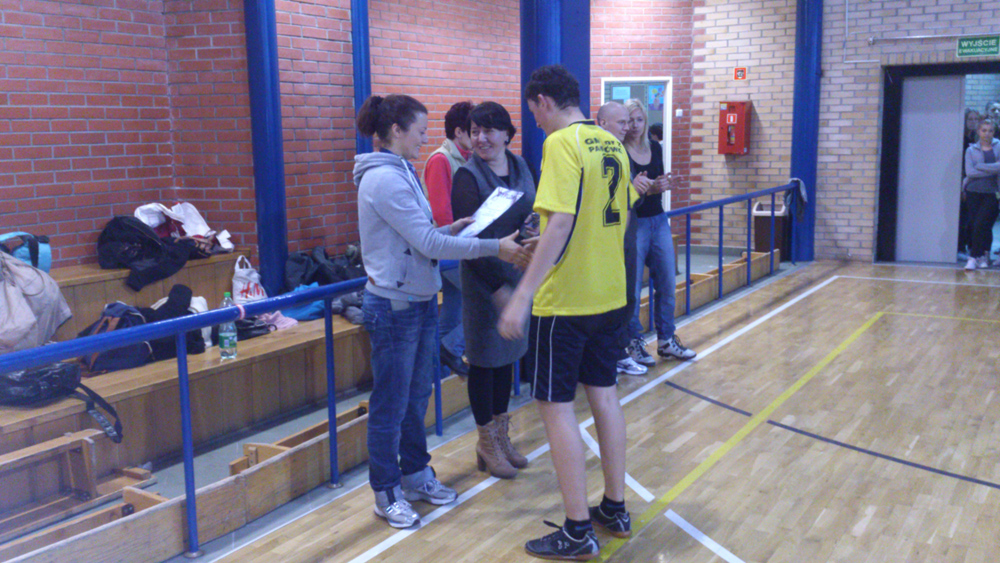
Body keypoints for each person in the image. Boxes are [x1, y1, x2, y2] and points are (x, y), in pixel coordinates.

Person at [353, 94, 528, 528]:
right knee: (391, 405)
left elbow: (423, 235)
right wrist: (493, 246)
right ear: (397, 131)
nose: (424, 138)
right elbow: (429, 245)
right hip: (393, 308)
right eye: (419, 130)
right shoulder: (384, 179)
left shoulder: (402, 171)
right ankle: (386, 492)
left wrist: (453, 228)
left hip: (418, 300)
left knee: (416, 398)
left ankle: (415, 475)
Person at [498, 65, 637, 561]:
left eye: (532, 110)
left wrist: (523, 294)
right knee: (605, 395)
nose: (533, 120)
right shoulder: (611, 142)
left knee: (555, 407)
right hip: (611, 294)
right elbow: (617, 214)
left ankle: (577, 529)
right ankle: (614, 508)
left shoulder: (561, 142)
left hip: (568, 301)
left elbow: (561, 222)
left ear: (543, 101)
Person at [451, 101, 535, 479]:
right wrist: (498, 288)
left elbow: (532, 209)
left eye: (488, 131)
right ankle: (486, 442)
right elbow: (468, 242)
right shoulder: (467, 176)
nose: (481, 138)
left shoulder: (520, 166)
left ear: (506, 134)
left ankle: (500, 437)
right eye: (475, 131)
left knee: (507, 358)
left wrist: (534, 231)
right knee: (485, 362)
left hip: (516, 272)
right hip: (484, 279)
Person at [622, 98, 696, 364]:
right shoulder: (619, 151)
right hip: (635, 223)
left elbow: (657, 180)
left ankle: (666, 340)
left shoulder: (654, 146)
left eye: (639, 120)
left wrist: (665, 184)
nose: (634, 125)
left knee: (667, 282)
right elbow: (623, 193)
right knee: (632, 289)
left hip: (658, 219)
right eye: (629, 120)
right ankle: (633, 342)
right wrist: (647, 189)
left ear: (645, 121)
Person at [423, 101, 475, 376]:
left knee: (454, 311)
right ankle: (450, 349)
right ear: (458, 132)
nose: (479, 137)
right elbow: (442, 216)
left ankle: (438, 372)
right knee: (484, 302)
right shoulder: (440, 160)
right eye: (473, 131)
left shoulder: (466, 159)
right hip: (448, 251)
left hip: (459, 248)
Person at [596, 102, 647, 377]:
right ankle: (609, 356)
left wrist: (638, 190)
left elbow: (627, 200)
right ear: (603, 123)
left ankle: (619, 352)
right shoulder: (594, 154)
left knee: (626, 296)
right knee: (607, 300)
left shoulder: (620, 152)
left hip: (624, 236)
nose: (627, 128)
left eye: (630, 122)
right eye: (622, 122)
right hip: (603, 240)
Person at [963, 119, 1000, 270]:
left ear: (994, 132)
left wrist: (980, 166)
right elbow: (970, 172)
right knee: (976, 225)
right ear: (979, 131)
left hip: (992, 192)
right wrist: (991, 169)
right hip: (973, 191)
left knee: (982, 224)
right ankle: (983, 255)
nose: (987, 133)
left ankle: (973, 257)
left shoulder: (998, 146)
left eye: (990, 130)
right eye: (984, 130)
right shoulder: (971, 150)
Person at [959, 108, 982, 257]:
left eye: (975, 119)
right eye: (970, 119)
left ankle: (967, 246)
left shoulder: (975, 138)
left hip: (973, 182)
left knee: (970, 218)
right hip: (963, 182)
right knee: (962, 218)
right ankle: (959, 248)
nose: (973, 122)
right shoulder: (961, 139)